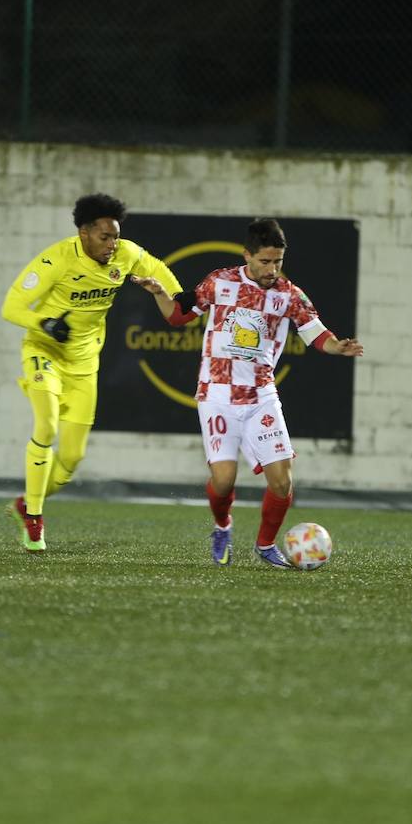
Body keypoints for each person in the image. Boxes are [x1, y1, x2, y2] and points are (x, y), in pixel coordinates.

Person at [133, 217, 363, 568]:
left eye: (278, 261)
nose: (272, 269)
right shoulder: (220, 282)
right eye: (265, 261)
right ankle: (223, 525)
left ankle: (266, 544)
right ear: (248, 256)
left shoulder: (289, 295)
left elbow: (316, 333)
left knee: (283, 482)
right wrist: (160, 294)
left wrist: (337, 347)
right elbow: (179, 316)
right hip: (217, 395)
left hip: (260, 396)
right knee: (223, 480)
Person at [0, 193, 181, 552]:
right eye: (105, 237)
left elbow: (160, 272)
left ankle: (25, 503)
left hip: (84, 363)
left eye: (115, 236)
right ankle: (35, 520)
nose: (113, 245)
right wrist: (46, 324)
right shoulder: (56, 259)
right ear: (83, 233)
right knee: (46, 425)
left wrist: (184, 301)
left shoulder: (125, 254)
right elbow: (11, 307)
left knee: (70, 461)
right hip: (45, 351)